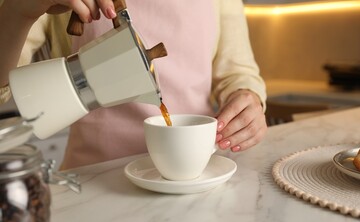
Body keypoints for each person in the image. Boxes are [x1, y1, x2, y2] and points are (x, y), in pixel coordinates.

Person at [0, 0, 267, 169]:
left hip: (198, 175)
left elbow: (237, 72)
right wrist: (17, 10)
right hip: (94, 182)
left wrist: (247, 97)